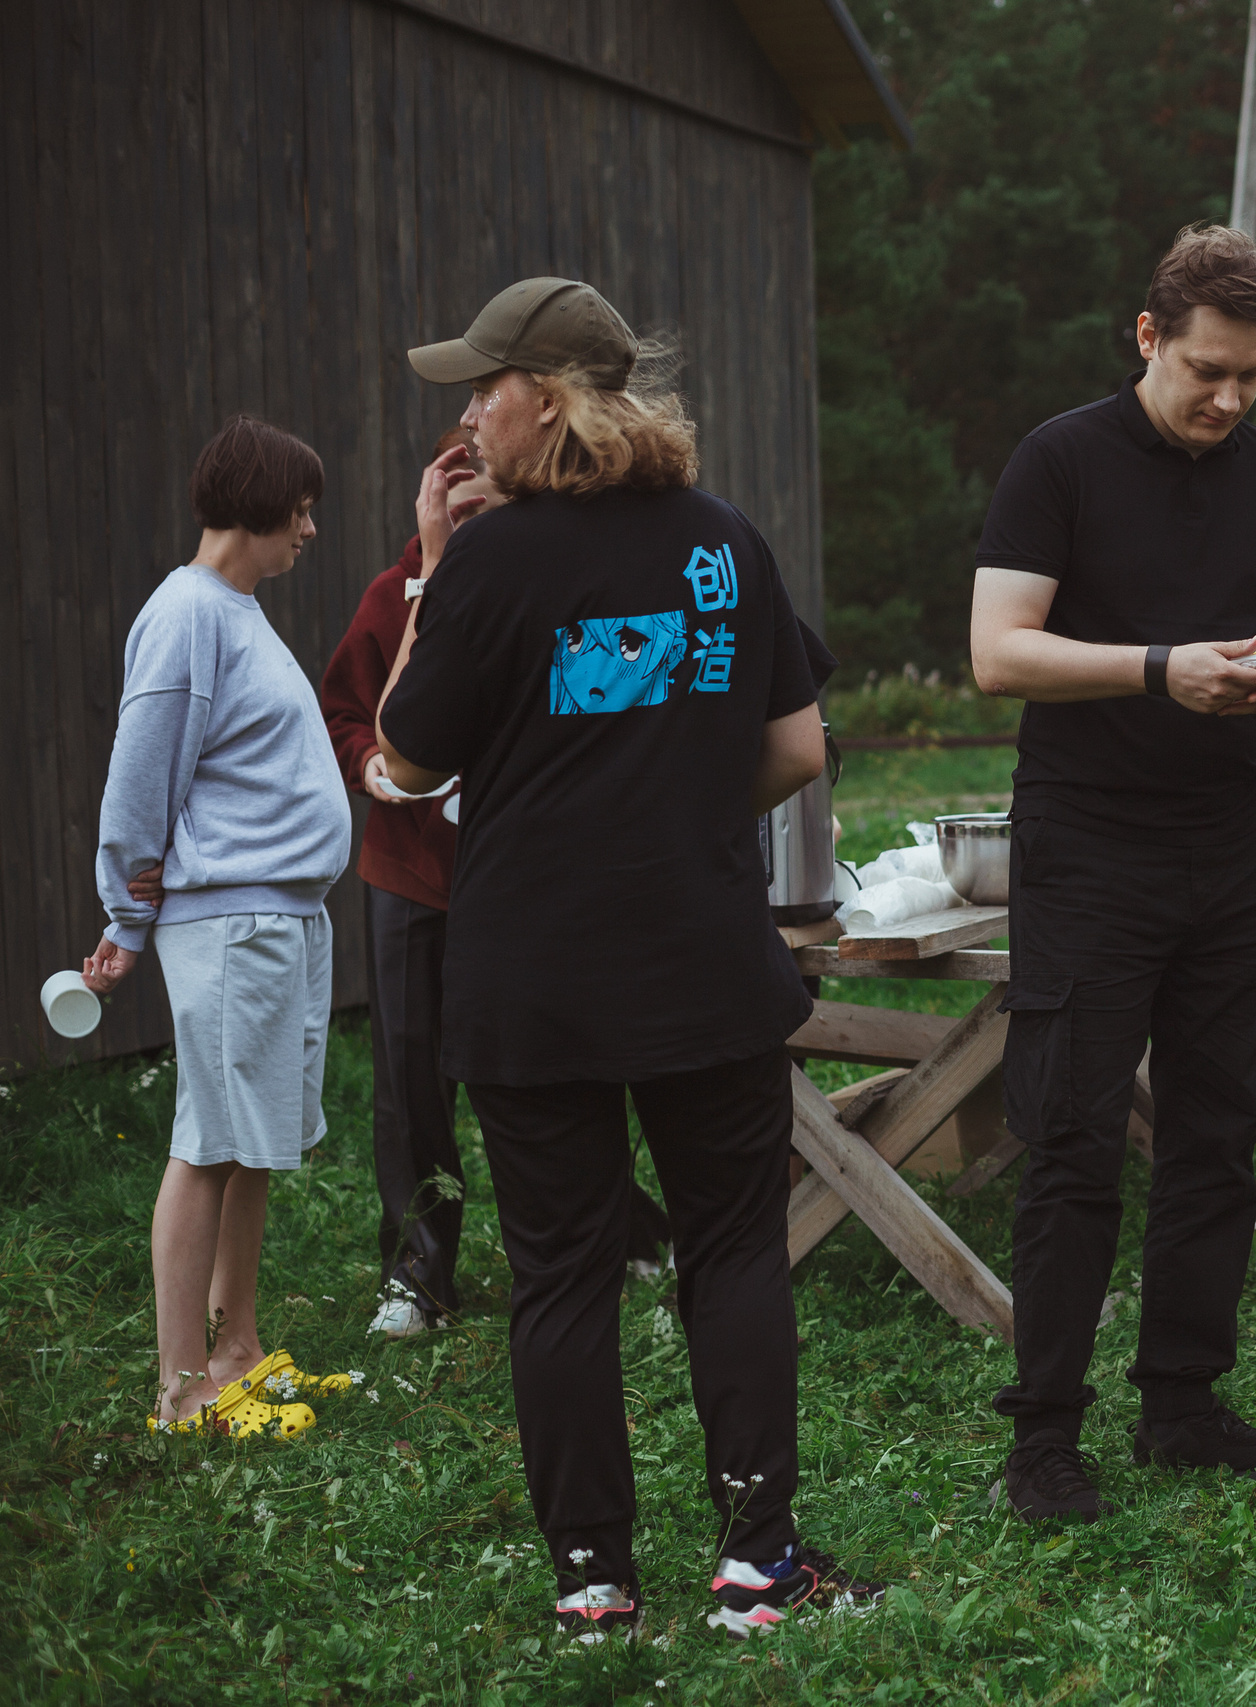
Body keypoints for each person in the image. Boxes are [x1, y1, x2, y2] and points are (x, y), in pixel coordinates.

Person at [376, 276, 861, 1638]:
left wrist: (429, 568)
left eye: (487, 386)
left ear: (560, 398)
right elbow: (798, 745)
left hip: (536, 977)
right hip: (703, 954)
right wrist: (677, 810)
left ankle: (595, 1579)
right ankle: (758, 1563)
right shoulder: (720, 541)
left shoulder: (490, 559)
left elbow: (404, 760)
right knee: (733, 1253)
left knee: (564, 1273)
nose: (469, 413)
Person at [970, 224, 1256, 1522]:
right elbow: (999, 651)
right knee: (1072, 1138)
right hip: (1088, 839)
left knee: (1217, 1130)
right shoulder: (1061, 457)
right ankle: (1046, 1435)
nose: (1228, 398)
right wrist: (1156, 665)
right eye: (1205, 370)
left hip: (1235, 835)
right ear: (1147, 337)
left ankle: (1183, 1401)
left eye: (1249, 374)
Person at [321, 432, 675, 1339]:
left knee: (562, 1060)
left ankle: (630, 1229)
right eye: (458, 502)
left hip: (526, 877)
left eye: (491, 502)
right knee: (410, 1082)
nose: (477, 518)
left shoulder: (546, 579)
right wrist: (369, 769)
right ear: (435, 504)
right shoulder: (395, 589)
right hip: (411, 874)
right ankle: (419, 1272)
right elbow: (349, 713)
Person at [87, 416, 349, 1437]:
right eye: (301, 509)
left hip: (277, 918)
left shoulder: (237, 610)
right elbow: (137, 787)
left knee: (253, 1145)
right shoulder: (186, 614)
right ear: (257, 508)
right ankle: (183, 1387)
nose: (310, 529)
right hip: (227, 923)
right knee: (206, 1144)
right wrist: (127, 917)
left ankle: (238, 1350)